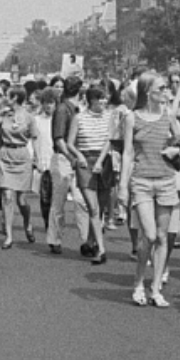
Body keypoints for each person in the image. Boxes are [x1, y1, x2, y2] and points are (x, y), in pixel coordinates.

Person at [118, 71, 180, 308]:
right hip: (142, 181)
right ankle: (138, 283)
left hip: (166, 179)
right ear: (148, 92)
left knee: (163, 237)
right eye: (162, 88)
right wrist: (123, 186)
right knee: (150, 235)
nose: (166, 93)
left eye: (167, 88)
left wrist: (178, 150)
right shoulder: (132, 118)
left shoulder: (169, 116)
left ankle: (155, 288)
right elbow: (127, 153)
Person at [46, 76, 92, 256]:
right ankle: (54, 239)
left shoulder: (78, 109)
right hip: (64, 158)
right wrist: (70, 156)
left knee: (82, 200)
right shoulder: (63, 109)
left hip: (77, 157)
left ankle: (86, 239)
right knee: (59, 201)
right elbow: (59, 139)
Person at [67, 86, 112, 265]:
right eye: (100, 99)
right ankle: (101, 250)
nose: (103, 102)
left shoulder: (109, 117)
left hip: (103, 161)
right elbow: (71, 143)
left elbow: (109, 141)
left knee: (100, 209)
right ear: (91, 100)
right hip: (85, 161)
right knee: (92, 208)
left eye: (104, 99)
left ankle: (91, 242)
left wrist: (101, 161)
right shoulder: (79, 118)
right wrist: (79, 156)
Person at [0, 86, 39, 249]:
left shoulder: (28, 117)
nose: (4, 98)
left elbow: (35, 138)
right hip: (6, 154)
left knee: (21, 199)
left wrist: (37, 159)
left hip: (21, 155)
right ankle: (9, 235)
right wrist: (1, 114)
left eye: (7, 95)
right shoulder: (4, 114)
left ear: (14, 98)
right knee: (7, 195)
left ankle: (27, 223)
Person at [33, 87, 57, 232]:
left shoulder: (60, 120)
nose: (49, 106)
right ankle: (48, 223)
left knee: (57, 198)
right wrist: (35, 158)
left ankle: (55, 225)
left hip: (58, 162)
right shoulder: (37, 120)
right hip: (43, 162)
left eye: (52, 102)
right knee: (45, 197)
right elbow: (34, 140)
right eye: (46, 102)